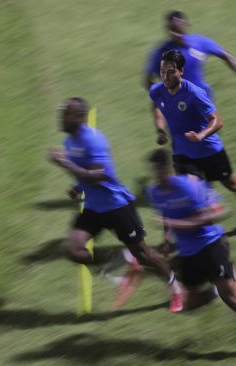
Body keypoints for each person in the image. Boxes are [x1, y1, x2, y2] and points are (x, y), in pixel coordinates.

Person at [49, 97, 184, 312]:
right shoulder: (69, 142)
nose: (62, 116)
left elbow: (98, 176)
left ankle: (176, 287)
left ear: (80, 117)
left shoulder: (94, 140)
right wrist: (77, 187)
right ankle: (119, 261)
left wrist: (64, 163)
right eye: (63, 111)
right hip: (93, 207)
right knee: (74, 250)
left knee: (145, 254)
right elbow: (83, 175)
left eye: (67, 113)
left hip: (116, 206)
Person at [145, 148, 236, 362]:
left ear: (168, 168)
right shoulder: (153, 192)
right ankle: (218, 288)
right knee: (187, 302)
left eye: (162, 169)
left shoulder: (188, 186)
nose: (159, 173)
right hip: (188, 254)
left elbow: (216, 213)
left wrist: (176, 224)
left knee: (232, 299)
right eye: (155, 170)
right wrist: (167, 240)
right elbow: (165, 216)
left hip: (211, 246)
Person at [149, 50, 236, 236]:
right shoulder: (157, 91)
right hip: (182, 152)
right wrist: (160, 129)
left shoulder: (195, 93)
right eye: (162, 71)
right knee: (192, 189)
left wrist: (201, 135)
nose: (165, 76)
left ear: (181, 72)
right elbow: (156, 105)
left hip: (208, 149)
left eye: (170, 71)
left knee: (232, 183)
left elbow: (217, 121)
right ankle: (206, 222)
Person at [143, 10, 236, 99]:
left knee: (209, 128)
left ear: (185, 25)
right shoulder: (161, 52)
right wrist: (163, 97)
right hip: (177, 103)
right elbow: (147, 80)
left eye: (178, 30)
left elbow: (227, 56)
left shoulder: (200, 42)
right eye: (171, 30)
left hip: (201, 97)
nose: (175, 34)